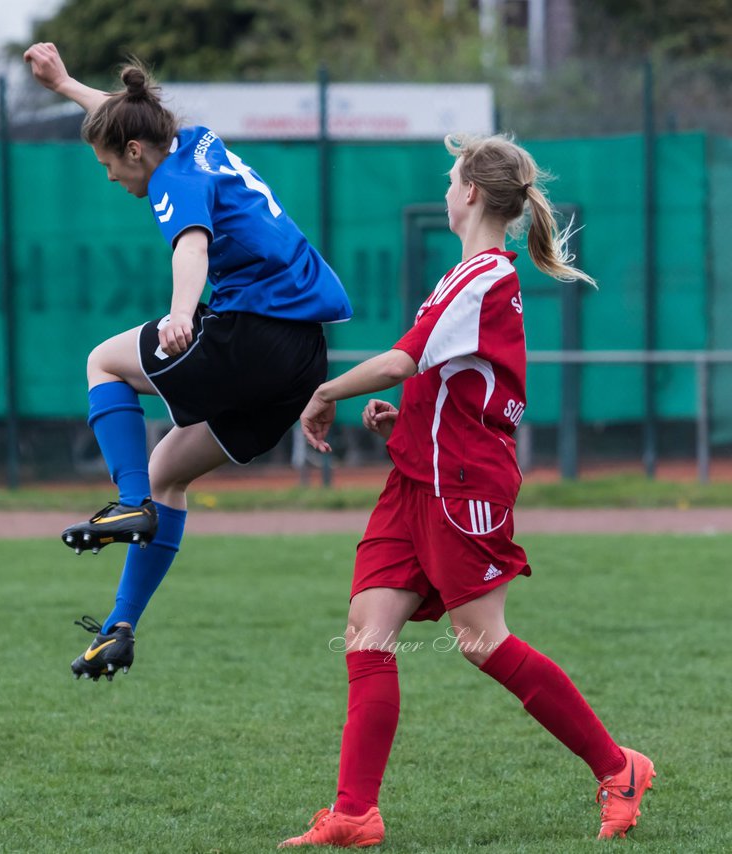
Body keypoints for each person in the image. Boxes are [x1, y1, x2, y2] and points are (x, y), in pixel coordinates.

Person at [283, 134, 653, 846]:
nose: (448, 189)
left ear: (473, 194)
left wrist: (326, 388)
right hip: (417, 476)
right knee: (366, 633)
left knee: (482, 641)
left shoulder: (484, 275)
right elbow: (444, 374)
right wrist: (411, 411)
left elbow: (400, 359)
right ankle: (355, 813)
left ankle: (618, 768)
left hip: (462, 487)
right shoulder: (465, 277)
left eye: (453, 179)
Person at [23, 42, 353, 681]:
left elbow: (191, 248)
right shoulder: (189, 139)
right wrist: (66, 85)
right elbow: (124, 117)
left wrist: (181, 313)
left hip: (254, 332)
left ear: (136, 154)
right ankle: (119, 629)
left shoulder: (169, 178)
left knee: (103, 362)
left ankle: (127, 502)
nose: (110, 175)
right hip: (302, 355)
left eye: (108, 164)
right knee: (168, 470)